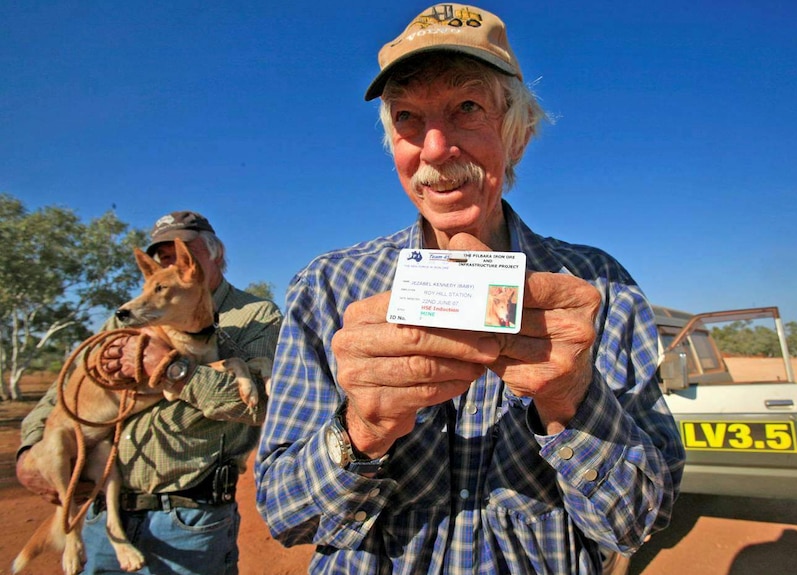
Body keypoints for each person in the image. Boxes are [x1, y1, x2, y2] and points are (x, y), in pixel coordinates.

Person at [255, 4, 685, 574]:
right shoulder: (330, 287)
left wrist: (574, 400)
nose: (435, 148)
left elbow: (638, 521)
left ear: (519, 133)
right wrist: (362, 430)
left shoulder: (597, 289)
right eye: (407, 117)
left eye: (467, 108)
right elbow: (286, 515)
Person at [17, 210, 283, 575]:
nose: (172, 262)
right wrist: (31, 449)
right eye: (163, 256)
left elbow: (262, 406)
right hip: (103, 512)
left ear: (214, 253)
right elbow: (66, 388)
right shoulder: (134, 316)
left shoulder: (254, 315)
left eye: (182, 250)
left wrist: (172, 369)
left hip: (188, 518)